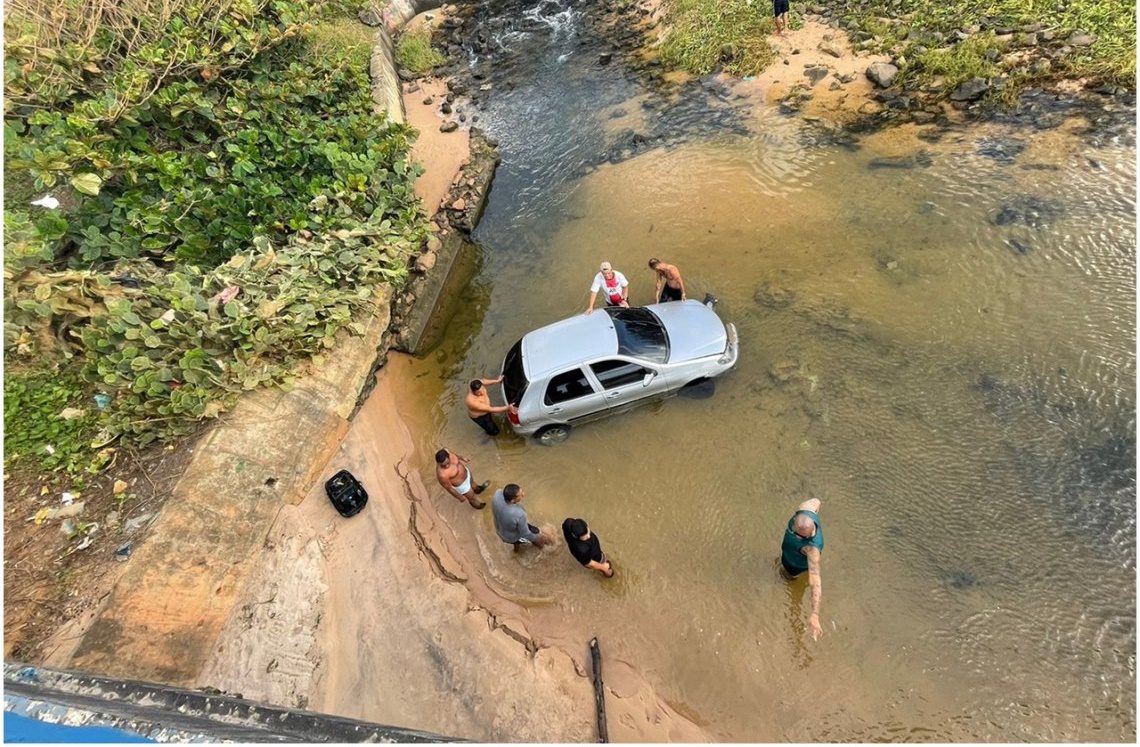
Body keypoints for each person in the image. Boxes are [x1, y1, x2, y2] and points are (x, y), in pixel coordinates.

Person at [780, 498, 824, 640]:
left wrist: (815, 614)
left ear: (809, 534)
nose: (794, 534)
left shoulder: (812, 550)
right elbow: (817, 501)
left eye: (798, 535)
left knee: (788, 579)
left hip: (795, 566)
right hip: (787, 553)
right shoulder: (806, 507)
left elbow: (816, 582)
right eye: (794, 529)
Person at [492, 483, 552, 551]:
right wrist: (537, 538)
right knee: (535, 535)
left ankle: (516, 551)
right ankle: (542, 548)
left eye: (521, 491)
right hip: (510, 538)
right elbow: (525, 534)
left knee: (516, 536)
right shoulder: (519, 514)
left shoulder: (497, 494)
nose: (523, 494)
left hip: (499, 528)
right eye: (520, 495)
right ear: (512, 500)